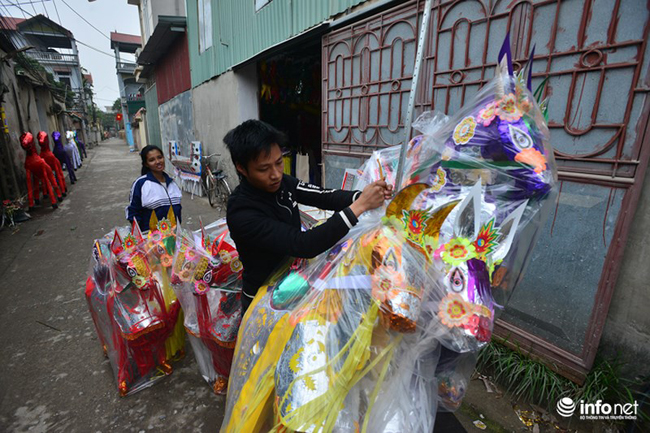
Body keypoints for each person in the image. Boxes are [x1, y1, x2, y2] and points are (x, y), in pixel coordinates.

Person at [224, 120, 392, 313]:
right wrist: (360, 206)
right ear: (242, 168)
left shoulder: (283, 183)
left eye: (279, 162)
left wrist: (362, 195)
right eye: (264, 169)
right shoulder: (242, 212)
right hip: (264, 301)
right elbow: (304, 244)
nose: (276, 174)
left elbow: (323, 196)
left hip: (294, 283)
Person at [126, 145, 182, 232]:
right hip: (152, 240)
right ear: (146, 164)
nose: (157, 162)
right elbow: (133, 213)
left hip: (174, 235)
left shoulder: (172, 182)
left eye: (159, 157)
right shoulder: (141, 183)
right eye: (152, 160)